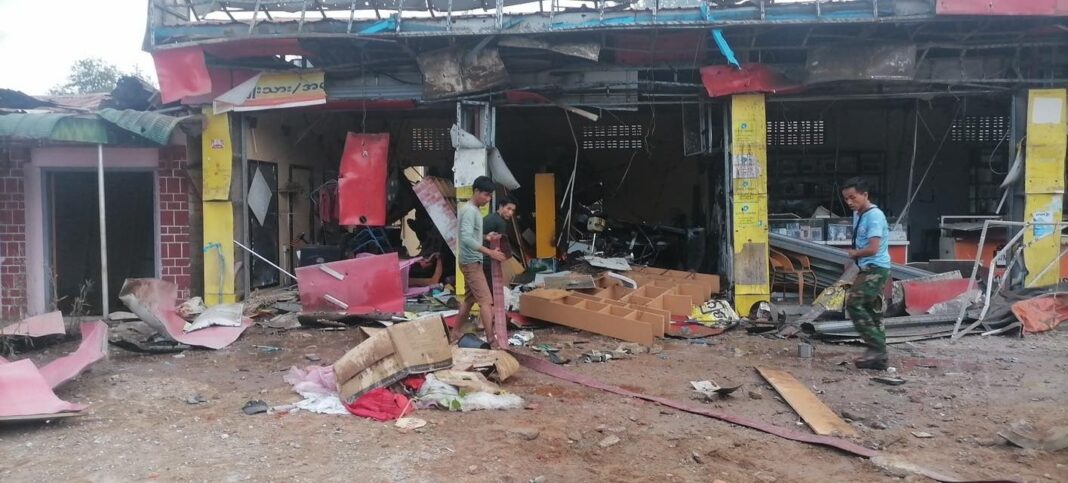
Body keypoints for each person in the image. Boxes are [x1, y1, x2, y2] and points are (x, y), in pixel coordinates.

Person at [841, 177, 892, 370]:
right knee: (872, 310)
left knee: (854, 303)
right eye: (846, 199)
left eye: (853, 198)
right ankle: (879, 358)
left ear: (865, 195)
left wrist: (855, 253)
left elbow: (873, 248)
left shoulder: (874, 216)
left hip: (875, 267)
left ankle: (877, 349)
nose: (849, 202)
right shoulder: (859, 214)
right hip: (866, 267)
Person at [452, 176, 507, 348]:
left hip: (471, 262)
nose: (488, 199)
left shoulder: (473, 210)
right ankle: (491, 340)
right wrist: (490, 252)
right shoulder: (469, 211)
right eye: (485, 195)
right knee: (485, 301)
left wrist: (485, 237)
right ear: (476, 192)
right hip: (470, 263)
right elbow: (467, 238)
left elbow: (470, 235)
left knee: (469, 301)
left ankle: (454, 332)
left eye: (490, 195)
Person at [482, 195, 517, 285]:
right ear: (501, 206)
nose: (510, 213)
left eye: (513, 210)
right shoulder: (500, 222)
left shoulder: (491, 217)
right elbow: (502, 245)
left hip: (477, 257)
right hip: (486, 260)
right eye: (508, 209)